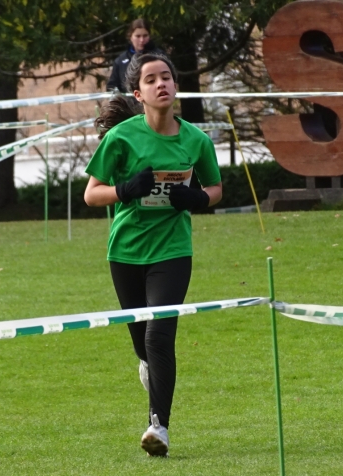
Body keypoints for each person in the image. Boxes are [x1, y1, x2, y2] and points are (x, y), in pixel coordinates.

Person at [85, 52, 222, 457]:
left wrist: (194, 197)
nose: (161, 84)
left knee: (159, 335)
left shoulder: (196, 141)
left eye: (167, 77)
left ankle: (157, 426)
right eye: (151, 79)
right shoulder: (122, 138)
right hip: (126, 252)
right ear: (138, 92)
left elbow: (216, 189)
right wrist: (125, 190)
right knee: (143, 346)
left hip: (173, 251)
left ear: (175, 86)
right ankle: (148, 367)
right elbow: (92, 194)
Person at [106, 19, 163, 93]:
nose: (142, 40)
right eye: (138, 36)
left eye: (145, 36)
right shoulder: (120, 61)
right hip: (129, 103)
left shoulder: (160, 56)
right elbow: (112, 87)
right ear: (130, 36)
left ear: (149, 36)